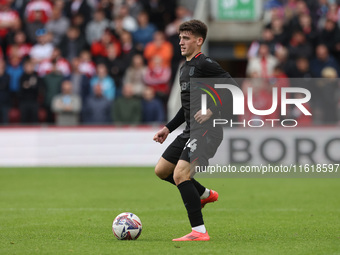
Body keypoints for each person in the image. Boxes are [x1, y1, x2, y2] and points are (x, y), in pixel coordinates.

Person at [153, 20, 232, 241]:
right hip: (190, 130)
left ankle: (199, 232)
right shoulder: (184, 68)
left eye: (186, 38)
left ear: (199, 41)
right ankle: (204, 194)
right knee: (162, 170)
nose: (181, 42)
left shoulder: (206, 64)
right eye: (180, 38)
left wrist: (211, 110)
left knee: (180, 174)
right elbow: (185, 107)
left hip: (207, 130)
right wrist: (168, 128)